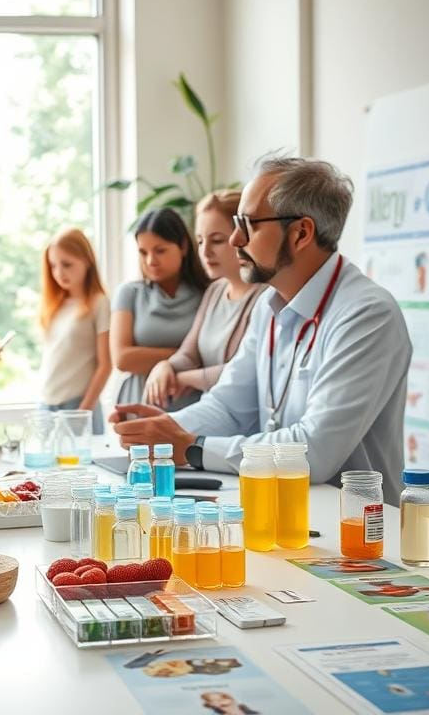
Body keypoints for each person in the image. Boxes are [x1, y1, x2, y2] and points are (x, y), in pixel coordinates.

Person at [112, 156, 412, 501]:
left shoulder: (367, 315)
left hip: (358, 532)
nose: (236, 239)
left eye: (249, 224)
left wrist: (192, 447)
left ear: (301, 233)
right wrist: (164, 431)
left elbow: (314, 451)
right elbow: (228, 406)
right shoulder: (269, 307)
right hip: (288, 513)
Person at [144, 190, 267, 408]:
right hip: (215, 417)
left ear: (243, 237)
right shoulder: (215, 291)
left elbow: (248, 371)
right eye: (200, 242)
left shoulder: (265, 297)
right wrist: (166, 366)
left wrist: (186, 378)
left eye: (217, 240)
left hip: (248, 431)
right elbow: (189, 354)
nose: (206, 252)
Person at [111, 207, 209, 411]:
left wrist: (156, 359)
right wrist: (187, 358)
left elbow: (217, 359)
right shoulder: (129, 293)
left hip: (195, 408)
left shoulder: (210, 293)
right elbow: (122, 358)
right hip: (139, 402)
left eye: (160, 250)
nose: (150, 261)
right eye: (143, 252)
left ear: (182, 246)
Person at [38, 228, 112, 434]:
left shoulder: (99, 303)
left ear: (87, 261)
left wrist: (83, 412)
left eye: (67, 264)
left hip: (77, 406)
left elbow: (105, 365)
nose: (59, 273)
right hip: (46, 405)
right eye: (53, 266)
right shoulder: (55, 305)